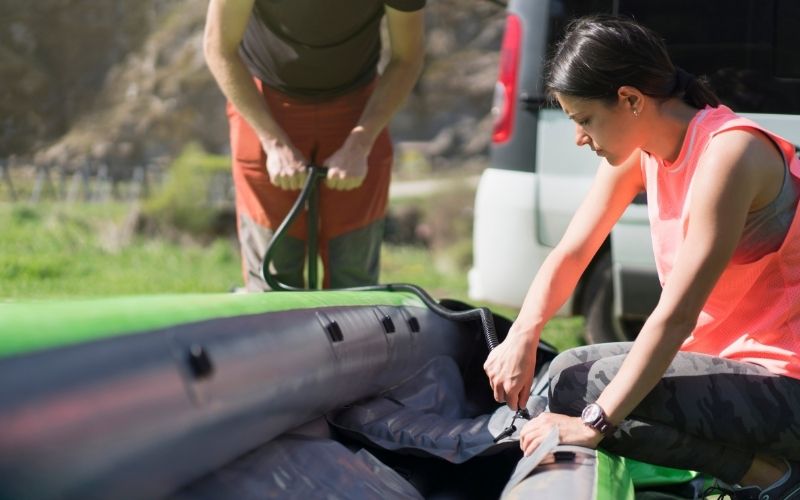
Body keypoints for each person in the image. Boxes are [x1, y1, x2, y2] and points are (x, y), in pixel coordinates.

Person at [483, 15, 800, 499]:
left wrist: (594, 424)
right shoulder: (643, 151)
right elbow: (572, 252)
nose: (579, 138)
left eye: (585, 120)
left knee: (590, 398)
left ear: (630, 99)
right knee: (566, 374)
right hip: (733, 366)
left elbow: (674, 317)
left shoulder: (730, 154)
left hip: (787, 382)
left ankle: (771, 478)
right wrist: (523, 334)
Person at [204, 0, 425, 290]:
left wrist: (360, 143)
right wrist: (273, 142)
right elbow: (218, 48)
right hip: (265, 105)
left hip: (358, 107)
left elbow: (407, 58)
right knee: (272, 280)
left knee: (353, 280)